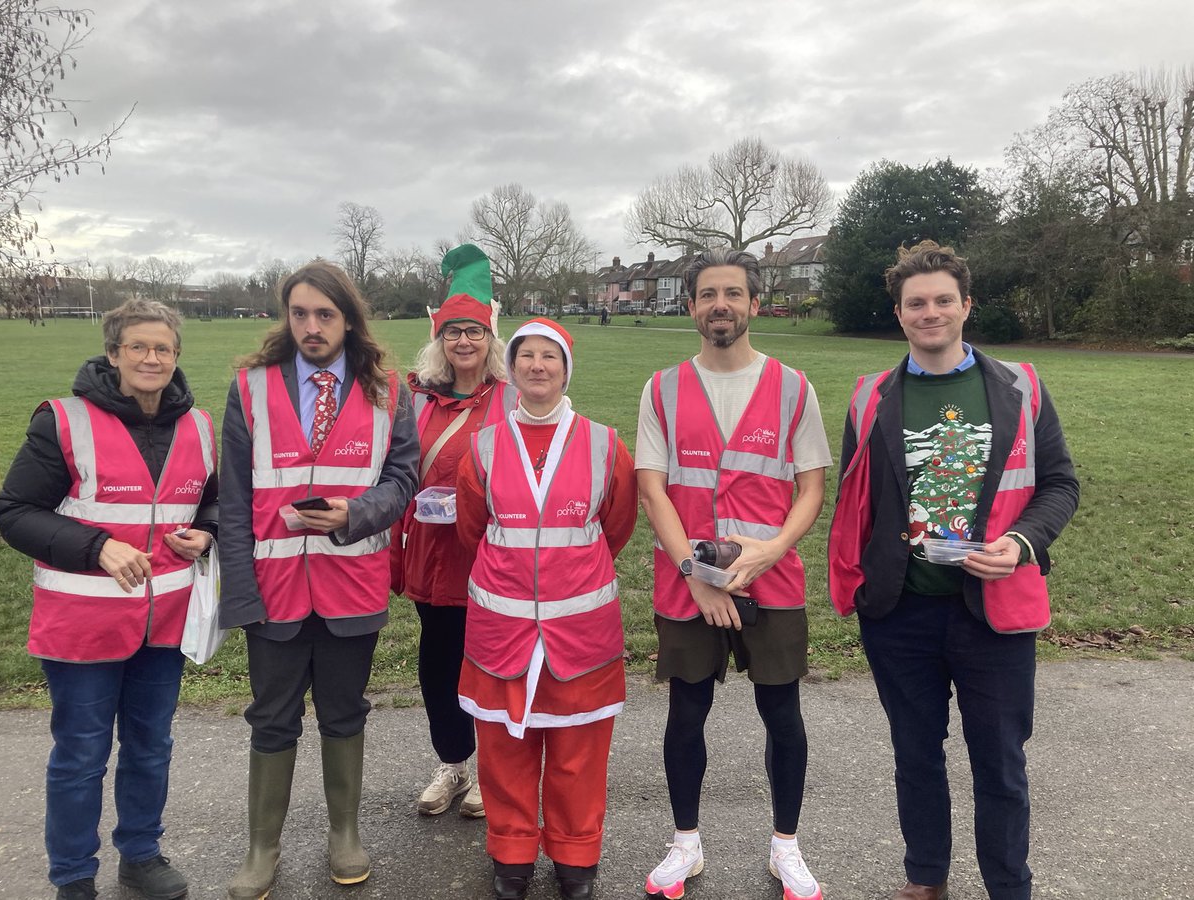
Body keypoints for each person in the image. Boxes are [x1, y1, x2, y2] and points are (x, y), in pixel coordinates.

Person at [827, 241, 1080, 900]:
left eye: (943, 300)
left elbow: (1059, 484)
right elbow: (857, 503)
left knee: (1000, 764)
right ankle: (926, 877)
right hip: (900, 612)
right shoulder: (868, 398)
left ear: (967, 306)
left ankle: (1008, 886)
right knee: (915, 757)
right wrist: (859, 579)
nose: (930, 312)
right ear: (899, 313)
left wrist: (1023, 543)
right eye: (917, 303)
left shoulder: (1021, 387)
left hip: (992, 612)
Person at [0, 299, 218, 900]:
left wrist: (209, 531)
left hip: (164, 626)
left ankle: (140, 854)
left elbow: (212, 502)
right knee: (81, 756)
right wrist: (96, 547)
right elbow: (13, 513)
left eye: (163, 348)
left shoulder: (199, 425)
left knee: (150, 746)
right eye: (139, 347)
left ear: (176, 356)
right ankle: (73, 876)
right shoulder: (64, 421)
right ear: (113, 352)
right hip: (82, 627)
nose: (152, 358)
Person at [218, 261, 418, 899]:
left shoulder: (389, 390)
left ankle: (345, 835)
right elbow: (234, 497)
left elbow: (403, 479)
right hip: (273, 591)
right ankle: (261, 849)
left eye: (324, 314)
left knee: (343, 713)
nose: (311, 326)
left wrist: (355, 514)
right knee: (272, 719)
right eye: (299, 313)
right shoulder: (250, 389)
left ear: (348, 319)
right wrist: (241, 592)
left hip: (351, 585)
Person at [636, 248, 831, 900]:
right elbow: (654, 491)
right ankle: (684, 844)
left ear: (753, 301)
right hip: (685, 584)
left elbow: (811, 488)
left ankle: (786, 848)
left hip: (772, 580)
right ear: (691, 305)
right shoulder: (661, 389)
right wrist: (694, 573)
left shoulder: (794, 386)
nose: (721, 304)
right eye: (708, 294)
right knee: (686, 712)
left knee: (783, 713)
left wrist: (772, 549)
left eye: (733, 293)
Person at [453, 318, 637, 900]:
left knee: (578, 750)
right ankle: (511, 853)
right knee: (505, 747)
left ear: (565, 368)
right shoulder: (482, 445)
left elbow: (617, 524)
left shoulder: (606, 443)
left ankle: (576, 854)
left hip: (578, 628)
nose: (537, 366)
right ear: (511, 367)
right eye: (526, 355)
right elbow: (472, 530)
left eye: (549, 357)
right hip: (501, 626)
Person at [396, 244, 516, 819]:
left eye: (473, 332)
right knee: (439, 661)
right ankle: (452, 763)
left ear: (490, 338)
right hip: (432, 549)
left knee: (491, 662)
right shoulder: (415, 397)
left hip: (493, 556)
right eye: (453, 333)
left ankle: (493, 772)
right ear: (439, 340)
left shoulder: (514, 398)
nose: (463, 342)